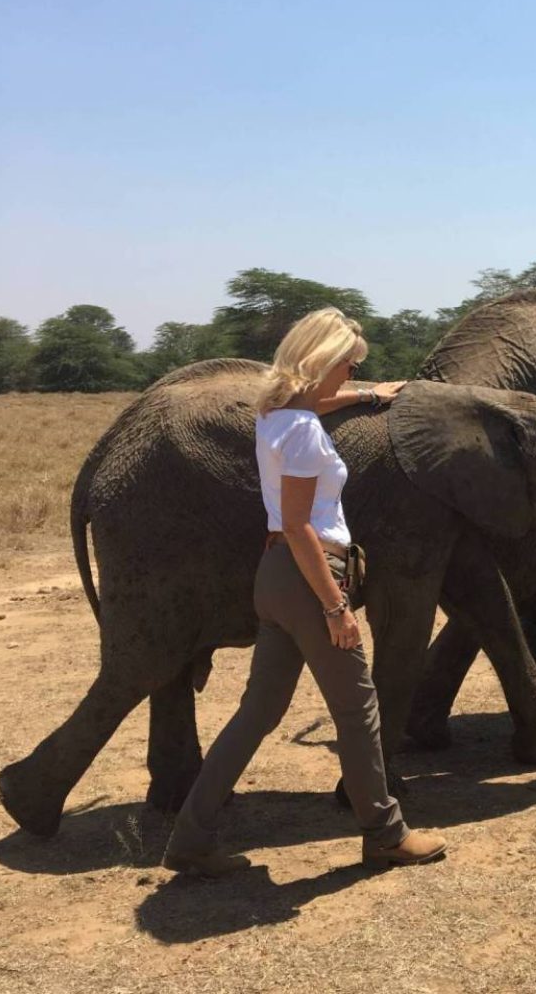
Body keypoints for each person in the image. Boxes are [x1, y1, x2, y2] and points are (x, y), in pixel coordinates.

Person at [162, 307, 447, 877]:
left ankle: (189, 839)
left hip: (274, 580)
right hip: (309, 576)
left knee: (258, 712)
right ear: (322, 361)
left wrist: (368, 396)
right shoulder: (305, 434)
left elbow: (313, 407)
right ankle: (386, 833)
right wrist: (337, 606)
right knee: (358, 706)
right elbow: (299, 526)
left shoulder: (276, 415)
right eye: (348, 365)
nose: (350, 374)